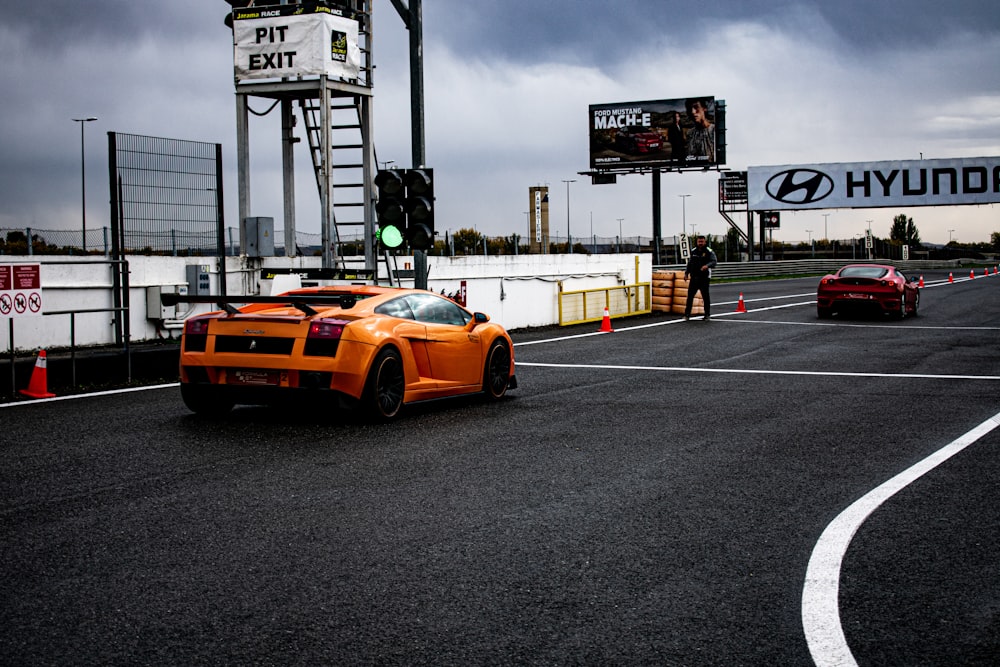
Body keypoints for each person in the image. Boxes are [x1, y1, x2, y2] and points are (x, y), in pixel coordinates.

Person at [684, 235, 717, 320]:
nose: (700, 243)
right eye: (699, 242)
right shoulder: (693, 251)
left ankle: (707, 314)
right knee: (690, 296)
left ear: (705, 242)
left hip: (704, 277)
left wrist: (707, 266)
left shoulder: (709, 251)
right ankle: (687, 315)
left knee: (705, 296)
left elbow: (714, 261)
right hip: (694, 277)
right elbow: (690, 263)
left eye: (702, 242)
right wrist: (686, 273)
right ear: (697, 242)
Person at [685, 98, 715, 163]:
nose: (693, 112)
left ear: (704, 109)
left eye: (696, 107)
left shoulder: (714, 130)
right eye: (690, 109)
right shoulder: (690, 133)